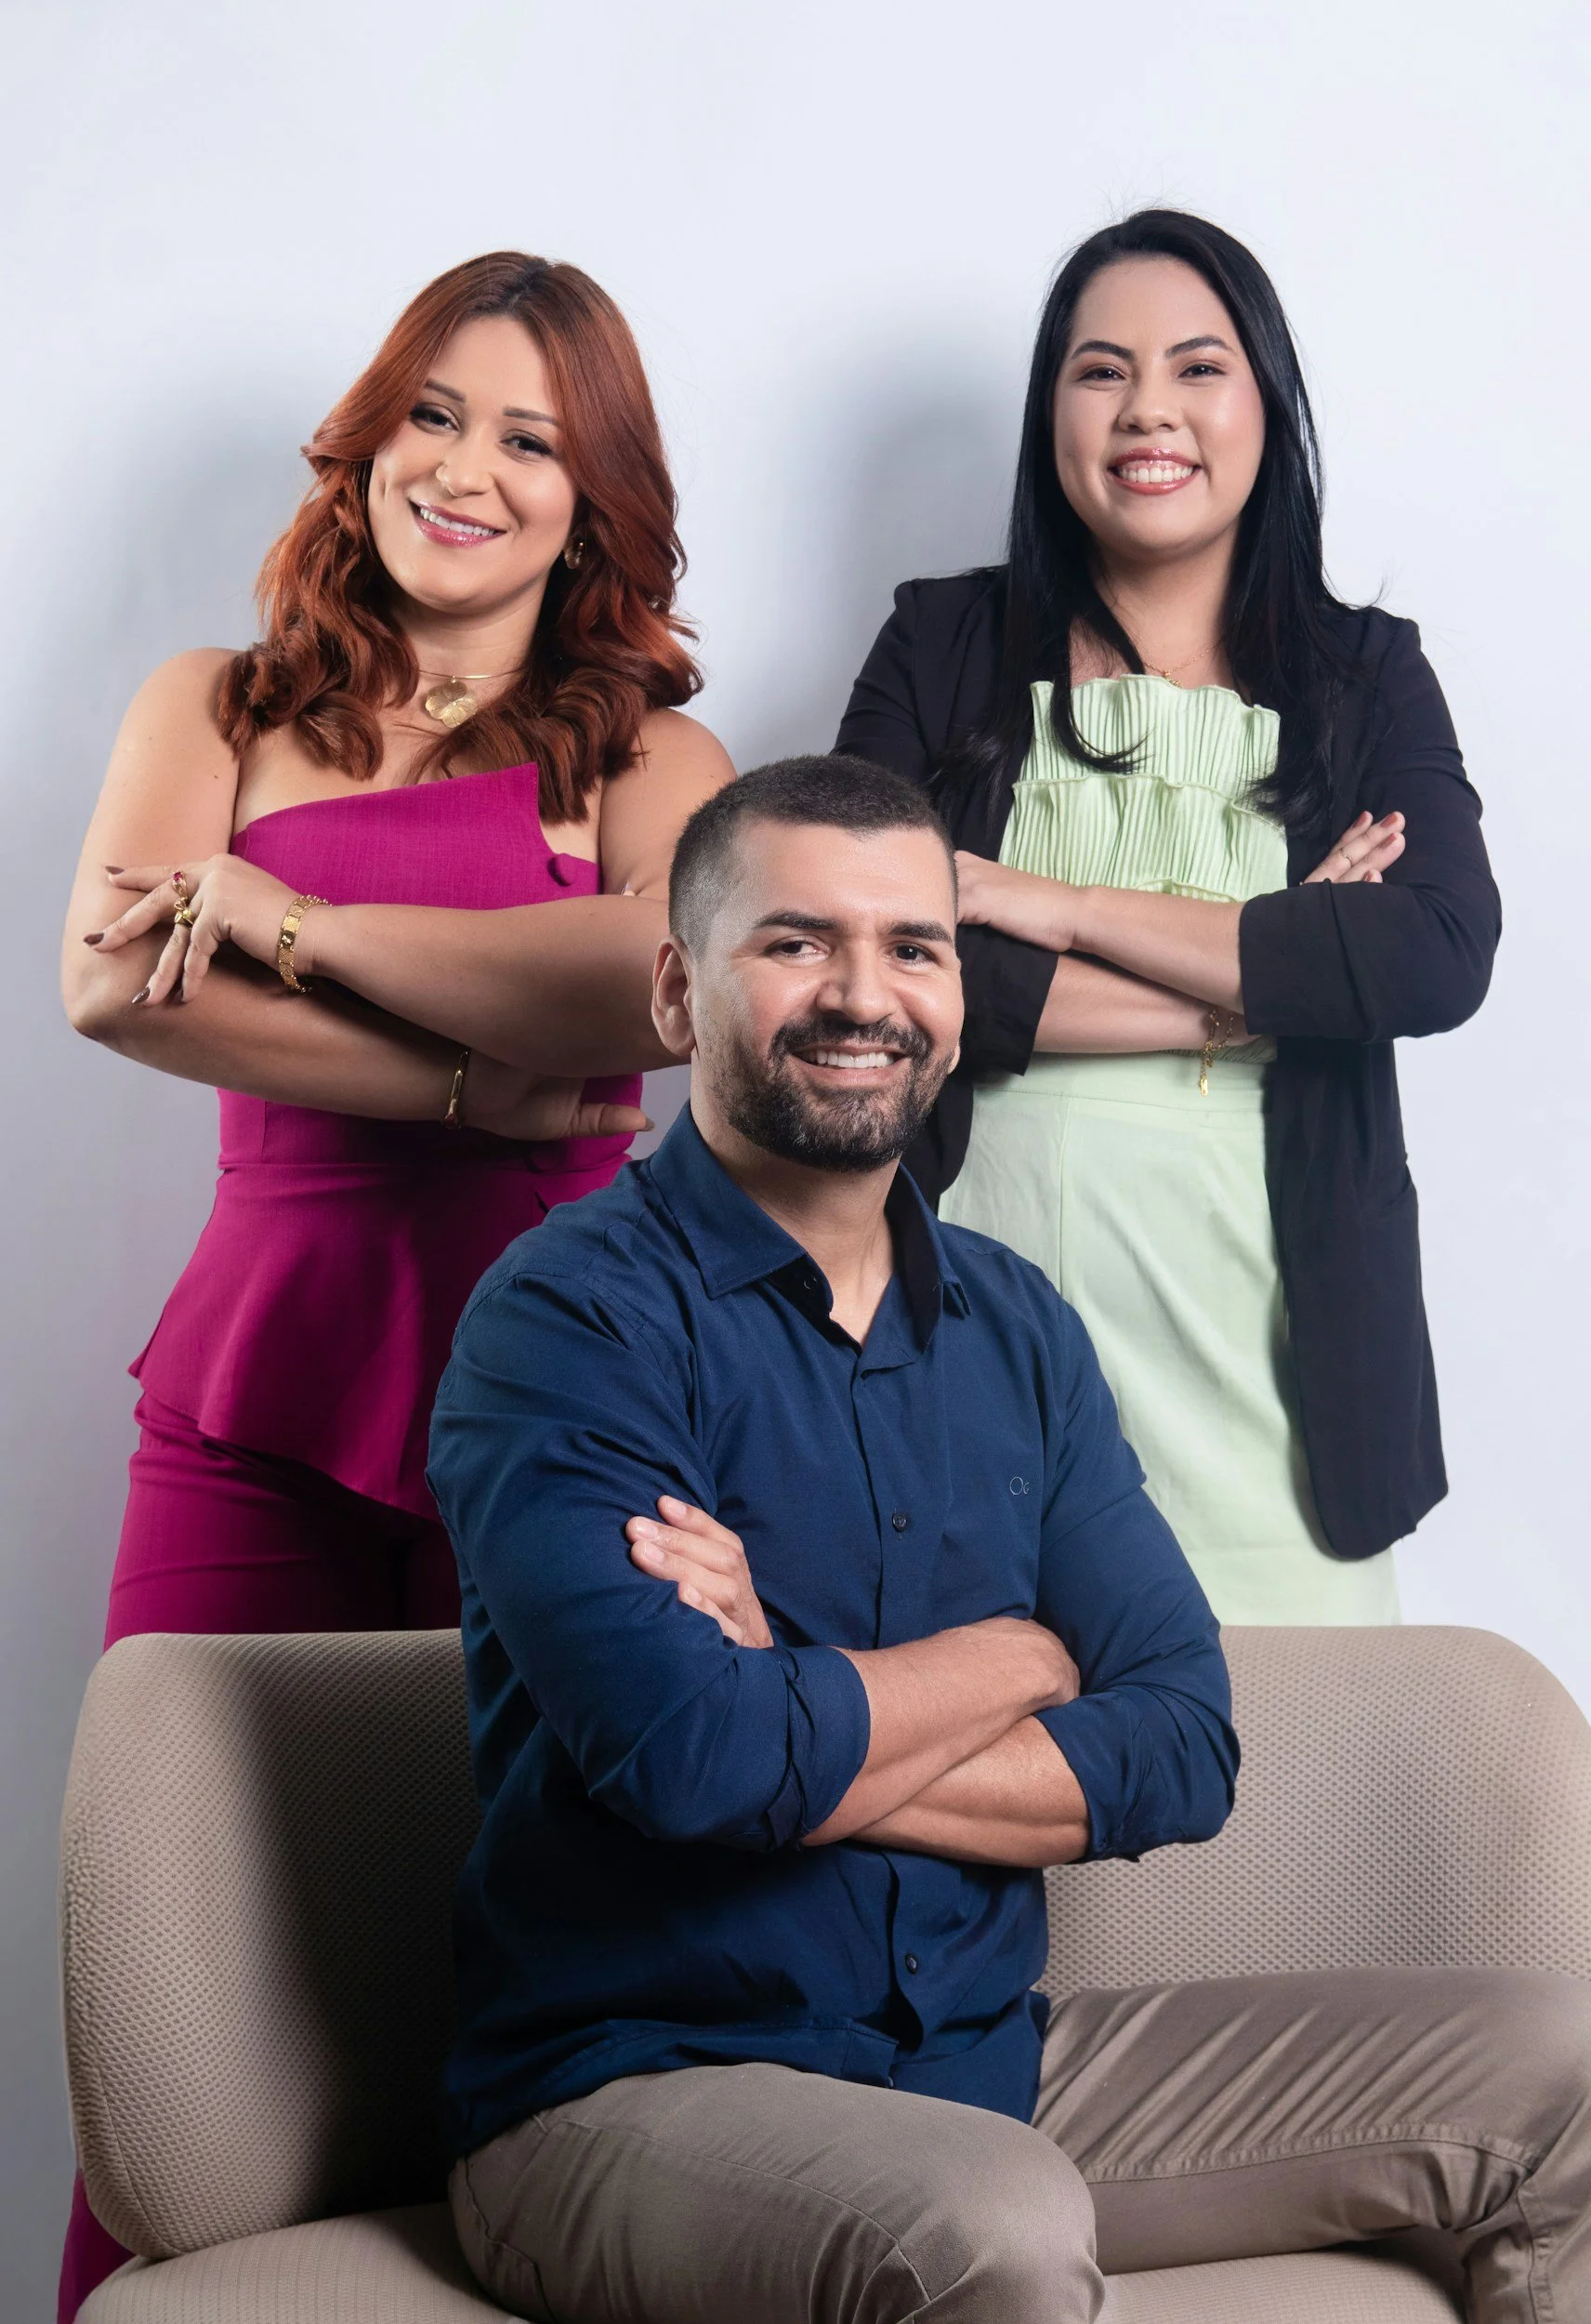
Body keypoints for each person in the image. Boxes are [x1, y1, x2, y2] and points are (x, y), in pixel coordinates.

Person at [430, 758, 1586, 2324]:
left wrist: (804, 1693)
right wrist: (1019, 1658)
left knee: (1555, 2077)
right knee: (986, 2219)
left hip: (992, 2070)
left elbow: (1181, 1743)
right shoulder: (569, 1320)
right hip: (635, 2093)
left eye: (914, 945)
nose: (864, 995)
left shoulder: (1020, 1329)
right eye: (795, 943)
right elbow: (692, 1759)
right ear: (674, 989)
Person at [58, 249, 730, 2318]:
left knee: (521, 1955)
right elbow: (107, 984)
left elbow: (649, 982)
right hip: (251, 1396)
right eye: (436, 411)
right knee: (177, 1953)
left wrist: (285, 918)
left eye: (534, 437)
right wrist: (482, 1075)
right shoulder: (214, 703)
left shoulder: (656, 757)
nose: (467, 467)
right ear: (369, 435)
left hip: (555, 1413)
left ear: (595, 498)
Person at [836, 210, 1501, 1626]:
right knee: (970, 1788)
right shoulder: (938, 645)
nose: (1150, 411)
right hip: (963, 1330)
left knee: (1286, 1802)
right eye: (1101, 371)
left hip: (1273, 1350)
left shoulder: (1366, 676)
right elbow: (871, 966)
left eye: (1199, 368)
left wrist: (1039, 901)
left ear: (1267, 404)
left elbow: (1434, 953)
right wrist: (1261, 972)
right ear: (1051, 415)